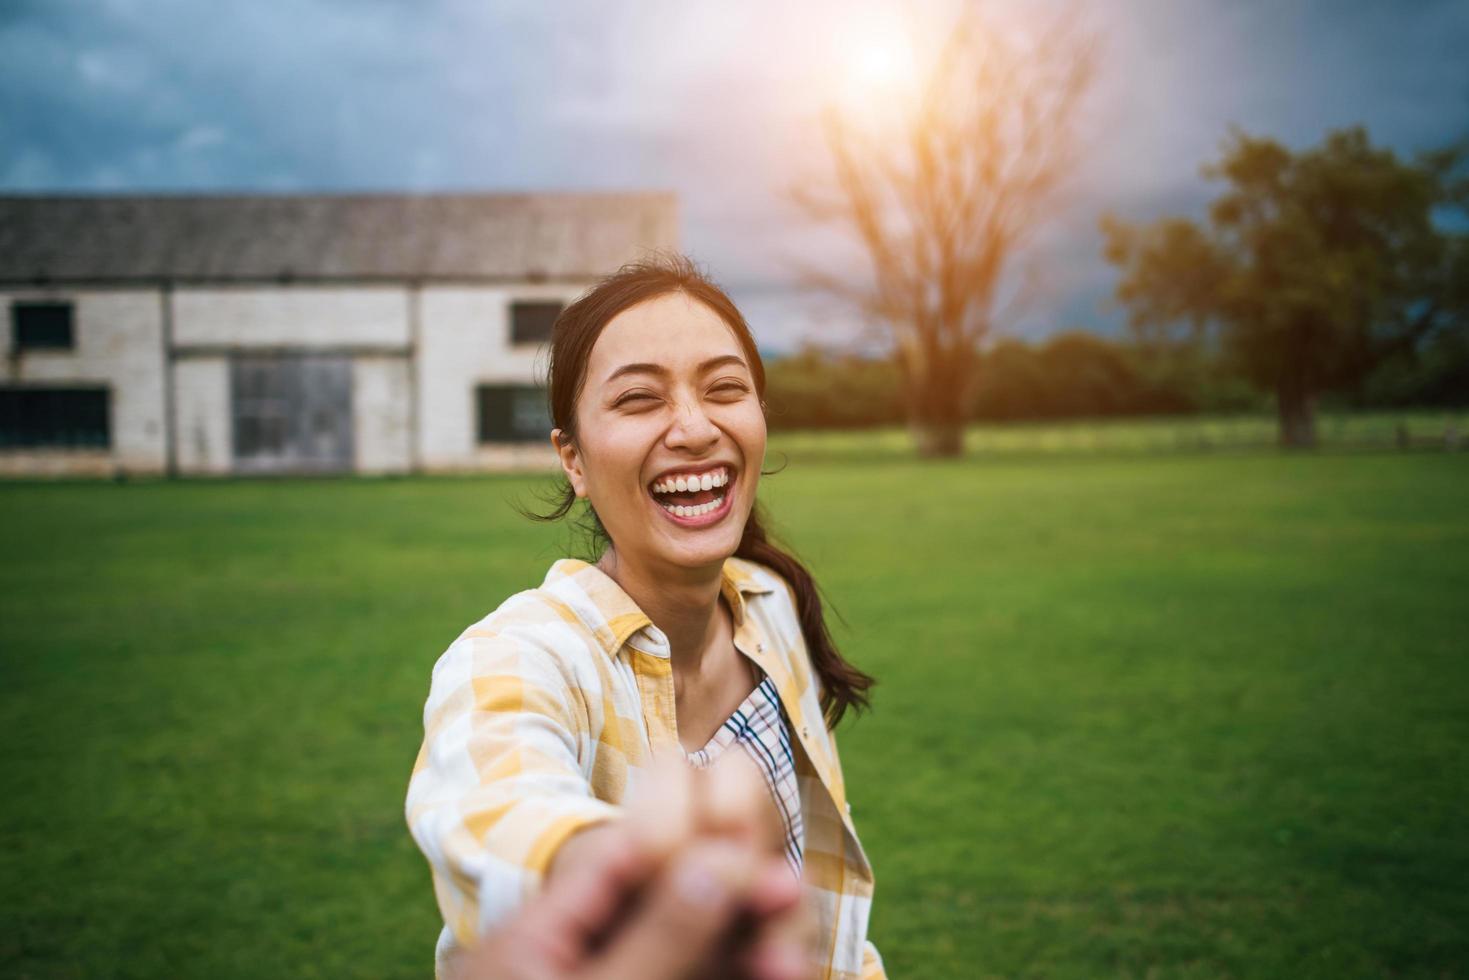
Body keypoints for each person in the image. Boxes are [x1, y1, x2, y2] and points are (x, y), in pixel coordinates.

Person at [406, 253, 883, 979]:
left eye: (724, 389)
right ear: (571, 458)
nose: (693, 428)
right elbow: (495, 795)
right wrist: (608, 873)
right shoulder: (515, 654)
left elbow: (823, 921)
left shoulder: (770, 608)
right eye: (638, 400)